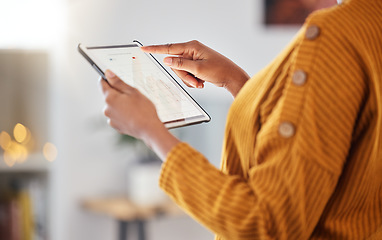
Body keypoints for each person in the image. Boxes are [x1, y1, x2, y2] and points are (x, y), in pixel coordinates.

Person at [100, 0, 382, 239]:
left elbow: (267, 224)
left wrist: (151, 131)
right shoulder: (371, 23)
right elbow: (341, 133)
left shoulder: (335, 35)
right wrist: (237, 83)